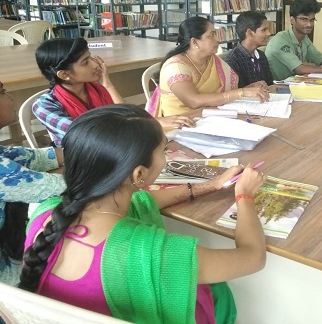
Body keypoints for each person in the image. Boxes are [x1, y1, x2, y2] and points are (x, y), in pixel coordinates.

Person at [20, 104, 267, 323]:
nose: (166, 156)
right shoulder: (150, 253)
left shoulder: (46, 212)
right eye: (164, 150)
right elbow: (253, 257)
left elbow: (144, 200)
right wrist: (244, 196)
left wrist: (212, 185)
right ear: (139, 174)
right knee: (219, 292)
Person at [33, 38, 194, 147]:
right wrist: (151, 122)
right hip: (82, 162)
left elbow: (125, 114)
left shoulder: (94, 88)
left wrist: (107, 85)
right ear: (64, 74)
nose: (95, 64)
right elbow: (86, 134)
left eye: (91, 58)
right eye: (85, 62)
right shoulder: (44, 106)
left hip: (113, 149)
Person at [0, 80, 66, 286]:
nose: (11, 97)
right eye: (3, 92)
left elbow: (42, 157)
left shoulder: (4, 154)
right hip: (8, 287)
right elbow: (61, 186)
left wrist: (98, 147)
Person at [148, 17, 269, 117]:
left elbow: (226, 93)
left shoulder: (213, 61)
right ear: (194, 42)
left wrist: (248, 89)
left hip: (211, 118)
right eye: (211, 35)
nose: (217, 40)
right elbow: (193, 101)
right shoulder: (175, 67)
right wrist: (241, 92)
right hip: (181, 124)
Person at [265, 0, 322, 81]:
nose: (309, 24)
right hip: (277, 87)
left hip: (295, 82)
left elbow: (321, 60)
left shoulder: (304, 38)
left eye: (312, 20)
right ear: (292, 20)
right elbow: (300, 69)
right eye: (304, 19)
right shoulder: (280, 40)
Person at [225, 11, 274, 88]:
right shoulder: (232, 60)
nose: (269, 33)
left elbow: (270, 84)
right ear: (249, 33)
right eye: (264, 30)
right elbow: (234, 91)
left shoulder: (261, 55)